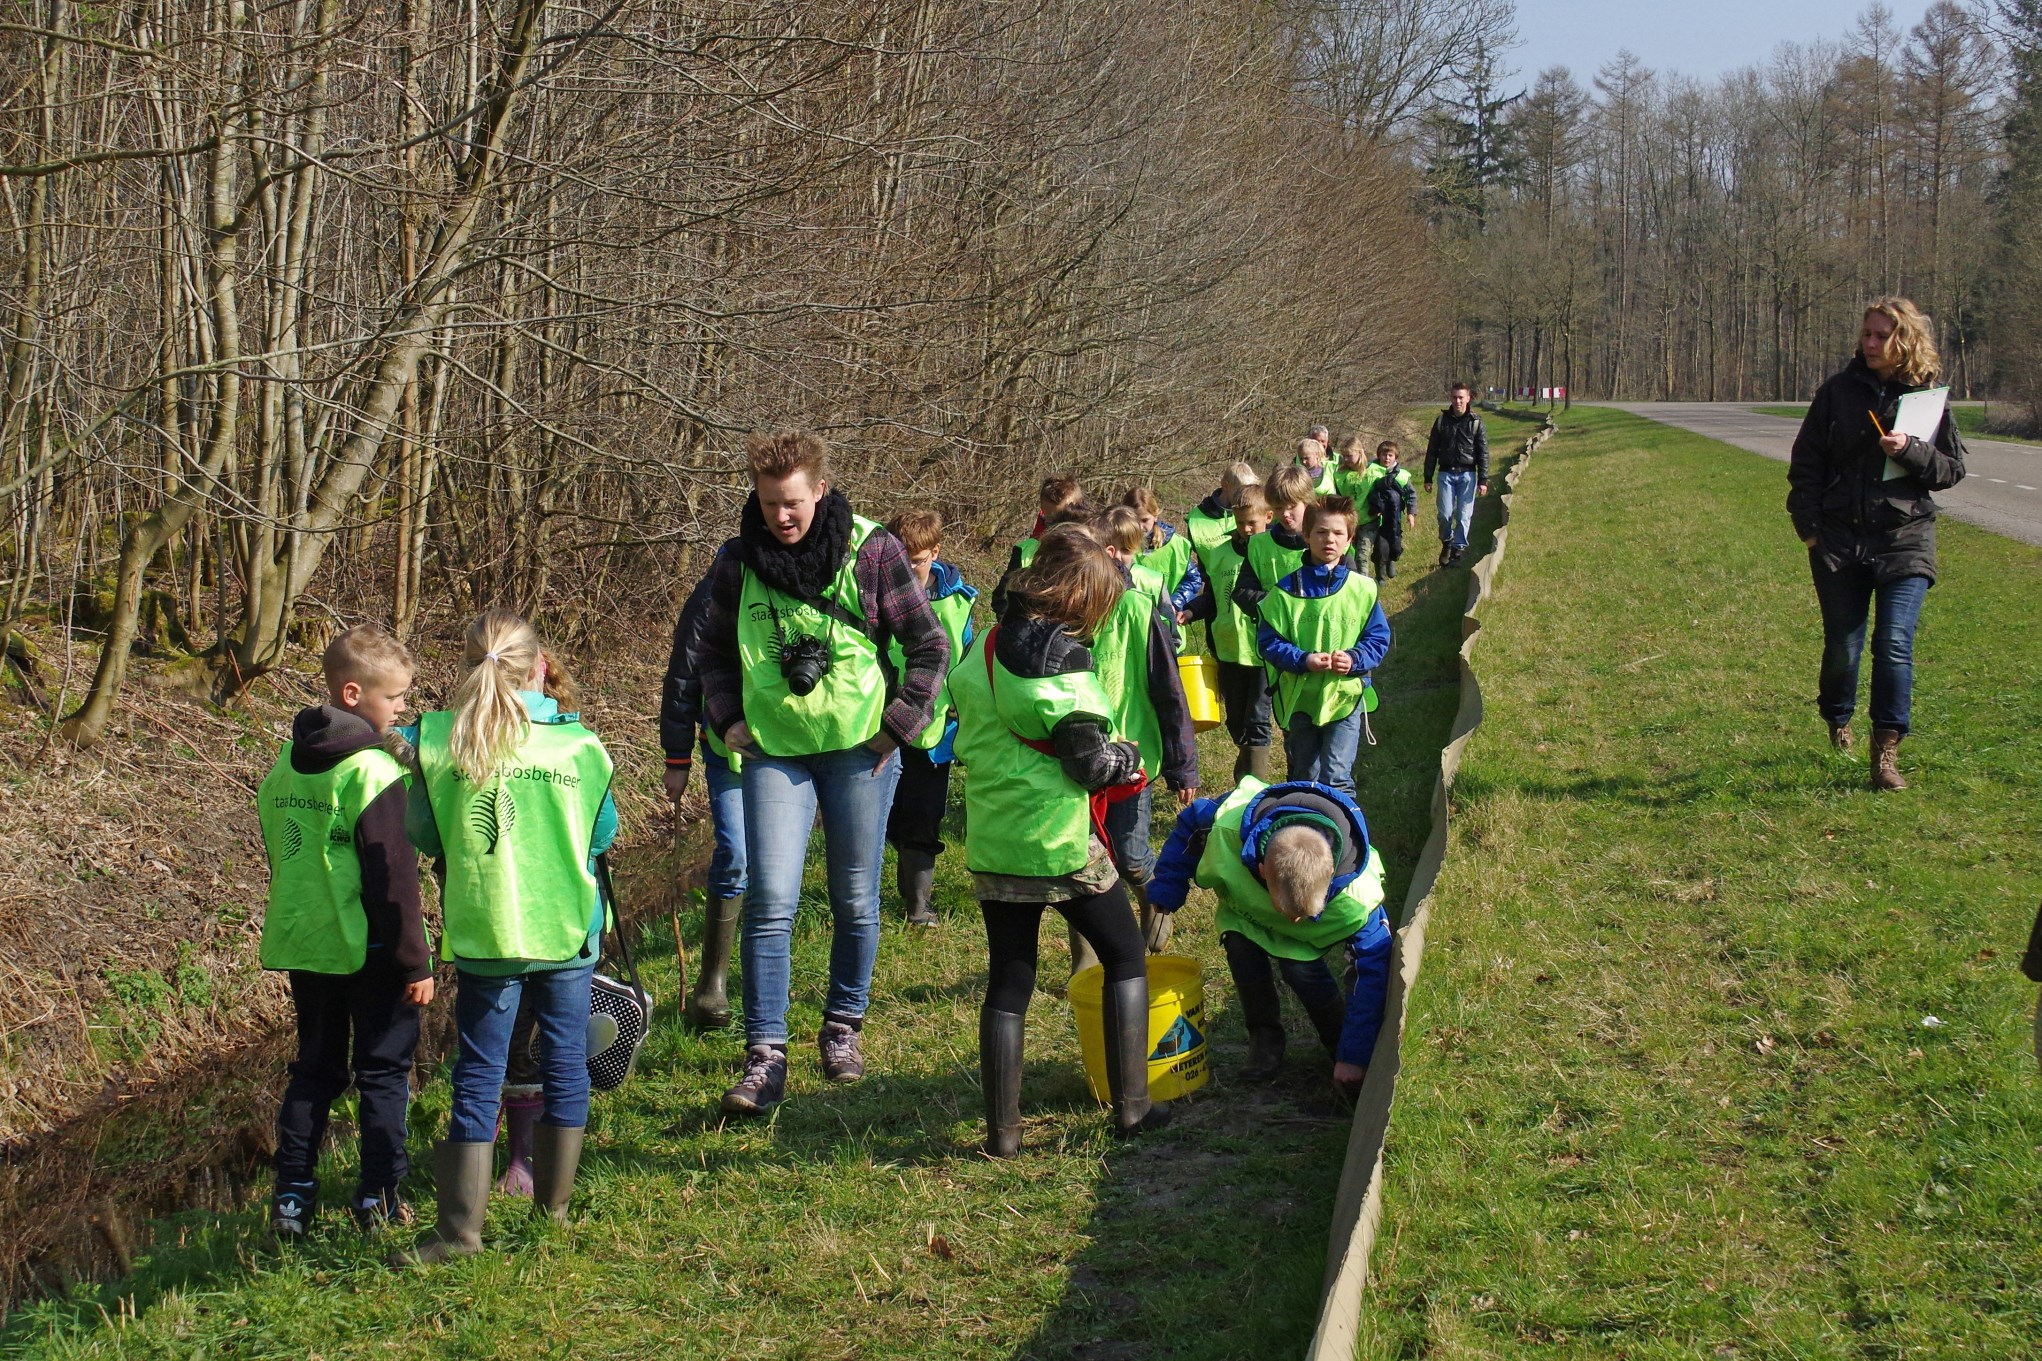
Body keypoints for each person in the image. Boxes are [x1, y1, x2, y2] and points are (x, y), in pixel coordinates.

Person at [696, 429, 949, 1113]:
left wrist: (899, 725)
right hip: (774, 751)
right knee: (772, 898)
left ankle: (842, 1027)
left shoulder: (872, 551)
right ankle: (765, 1055)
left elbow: (930, 643)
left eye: (794, 503)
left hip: (858, 750)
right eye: (770, 502)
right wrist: (726, 720)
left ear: (821, 493)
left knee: (854, 898)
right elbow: (713, 654)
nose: (782, 515)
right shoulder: (736, 563)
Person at [399, 610, 618, 1264]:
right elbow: (601, 836)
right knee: (563, 1064)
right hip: (567, 931)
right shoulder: (580, 746)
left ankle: (459, 1234)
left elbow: (425, 834)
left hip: (488, 931)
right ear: (538, 666)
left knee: (477, 1074)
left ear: (467, 665)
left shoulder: (437, 740)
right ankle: (551, 1218)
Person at [949, 525, 1172, 1155]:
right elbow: (1088, 763)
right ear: (1080, 598)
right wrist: (1126, 754)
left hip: (995, 837)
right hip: (1059, 839)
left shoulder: (985, 645)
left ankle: (1003, 1135)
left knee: (1010, 980)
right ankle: (1132, 1109)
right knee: (1125, 954)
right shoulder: (1061, 660)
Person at [257, 626, 430, 1239]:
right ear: (353, 694)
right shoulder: (371, 772)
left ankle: (292, 1201)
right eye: (396, 699)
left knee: (315, 1070)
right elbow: (394, 882)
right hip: (372, 948)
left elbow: (280, 848)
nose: (404, 709)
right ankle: (379, 1198)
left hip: (307, 943)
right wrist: (416, 963)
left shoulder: (286, 761)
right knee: (383, 1071)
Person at [1787, 296, 1966, 790]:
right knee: (1843, 647)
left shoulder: (1927, 400)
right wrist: (1811, 530)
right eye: (1866, 334)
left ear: (1904, 340)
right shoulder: (1837, 393)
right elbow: (1805, 467)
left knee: (1893, 645)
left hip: (1904, 540)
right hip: (1839, 543)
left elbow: (1951, 471)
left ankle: (1886, 751)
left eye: (1880, 336)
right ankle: (1837, 716)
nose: (1869, 343)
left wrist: (1911, 451)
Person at [1147, 774, 1391, 1097]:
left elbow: (1371, 973)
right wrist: (1167, 890)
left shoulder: (1357, 896)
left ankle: (1337, 1043)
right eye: (1288, 910)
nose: (1292, 919)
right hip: (1248, 913)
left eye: (1302, 914)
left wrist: (1354, 1056)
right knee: (1242, 952)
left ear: (1330, 873)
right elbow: (1189, 826)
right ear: (1262, 870)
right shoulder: (1225, 824)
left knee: (1301, 972)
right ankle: (1264, 1039)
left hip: (1305, 940)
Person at [1090, 507, 1199, 953]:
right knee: (1087, 863)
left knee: (1132, 856)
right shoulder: (1070, 613)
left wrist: (1184, 767)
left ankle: (1152, 901)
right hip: (1084, 756)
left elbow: (1169, 691)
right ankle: (1091, 955)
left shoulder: (1139, 607)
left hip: (1135, 759)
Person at [660, 547, 746, 1030]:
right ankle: (711, 984)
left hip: (790, 748)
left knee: (775, 870)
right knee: (734, 854)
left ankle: (761, 975)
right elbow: (683, 676)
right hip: (724, 749)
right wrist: (676, 759)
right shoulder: (711, 594)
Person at [1257, 497, 1390, 796]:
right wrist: (1303, 659)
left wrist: (1355, 659)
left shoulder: (1363, 589)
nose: (1329, 539)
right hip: (1300, 700)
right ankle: (1305, 838)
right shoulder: (1284, 592)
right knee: (1305, 776)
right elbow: (1268, 642)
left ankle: (1342, 841)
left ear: (1349, 540)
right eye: (1320, 532)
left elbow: (1378, 638)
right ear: (1306, 535)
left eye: (1338, 533)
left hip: (1345, 698)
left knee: (1337, 778)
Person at [884, 508, 978, 927]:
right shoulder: (874, 595)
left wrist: (966, 706)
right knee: (888, 818)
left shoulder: (958, 602)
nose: (906, 571)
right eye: (898, 561)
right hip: (880, 726)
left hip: (934, 730)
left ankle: (918, 907)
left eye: (916, 562)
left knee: (923, 816)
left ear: (935, 553)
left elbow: (968, 659)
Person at [1188, 485, 1274, 783]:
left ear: (1268, 518)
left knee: (1257, 719)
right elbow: (1211, 595)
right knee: (1236, 720)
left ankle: (1253, 785)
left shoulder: (1271, 553)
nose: (1247, 529)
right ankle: (1246, 770)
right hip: (1227, 647)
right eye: (1240, 523)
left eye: (1253, 523)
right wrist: (1191, 610)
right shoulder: (1219, 554)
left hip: (1263, 650)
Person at [1229, 463, 1320, 626]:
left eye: (1292, 506)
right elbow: (1242, 593)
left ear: (1307, 502)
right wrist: (1281, 602)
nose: (1285, 514)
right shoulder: (1258, 545)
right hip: (1274, 635)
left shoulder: (1327, 540)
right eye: (1278, 508)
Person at [1120, 484, 1206, 639]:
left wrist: (1174, 603)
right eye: (1134, 520)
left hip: (1168, 630)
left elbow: (1193, 578)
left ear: (1155, 516)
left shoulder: (1177, 545)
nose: (1140, 526)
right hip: (1129, 628)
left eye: (1145, 520)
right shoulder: (1119, 547)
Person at [1423, 383, 1489, 566]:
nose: (1458, 401)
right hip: (1446, 474)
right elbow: (1432, 451)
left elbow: (1483, 452)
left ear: (1468, 398)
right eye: (1454, 397)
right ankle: (1447, 542)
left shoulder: (1476, 422)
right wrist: (1427, 477)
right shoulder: (1441, 421)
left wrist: (1483, 480)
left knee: (1463, 516)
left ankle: (1458, 550)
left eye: (1461, 397)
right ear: (1450, 398)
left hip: (1468, 475)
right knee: (1444, 514)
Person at [1184, 461, 1260, 568]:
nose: (1246, 497)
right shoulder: (1195, 519)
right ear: (1225, 486)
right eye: (1241, 491)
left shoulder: (1254, 510)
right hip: (1212, 582)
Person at [1363, 442, 1417, 580]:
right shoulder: (1371, 471)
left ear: (1395, 457)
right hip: (1376, 517)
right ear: (1378, 455)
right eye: (1383, 455)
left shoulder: (1402, 475)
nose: (1386, 458)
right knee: (1380, 548)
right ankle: (1380, 576)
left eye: (1390, 455)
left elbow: (1411, 495)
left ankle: (1392, 559)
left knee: (1395, 545)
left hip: (1395, 518)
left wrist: (1411, 513)